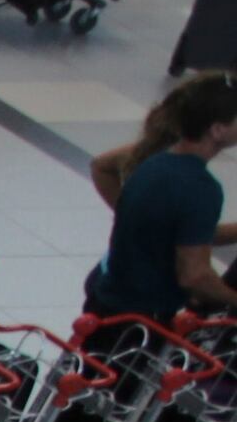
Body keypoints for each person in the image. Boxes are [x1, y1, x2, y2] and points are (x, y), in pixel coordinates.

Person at [88, 75, 236, 321]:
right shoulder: (200, 188)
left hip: (108, 296)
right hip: (142, 318)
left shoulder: (152, 162)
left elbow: (186, 233)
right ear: (218, 130)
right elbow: (195, 276)